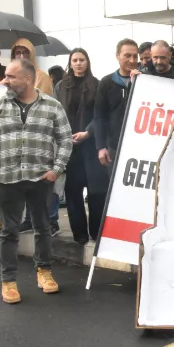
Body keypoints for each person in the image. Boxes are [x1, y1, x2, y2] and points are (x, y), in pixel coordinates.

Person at [0, 56, 72, 304]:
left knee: (42, 227)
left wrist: (57, 169)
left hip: (41, 178)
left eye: (10, 76)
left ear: (28, 79)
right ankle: (8, 281)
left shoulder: (52, 106)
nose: (4, 80)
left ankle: (44, 272)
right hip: (8, 179)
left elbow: (65, 139)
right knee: (9, 231)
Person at [55, 48, 108, 244]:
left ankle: (96, 232)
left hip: (92, 144)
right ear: (70, 63)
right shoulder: (61, 86)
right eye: (75, 60)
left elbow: (101, 115)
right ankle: (79, 235)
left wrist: (88, 132)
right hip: (70, 146)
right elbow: (56, 112)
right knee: (73, 192)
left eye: (82, 60)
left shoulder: (97, 84)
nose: (78, 63)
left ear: (87, 62)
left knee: (96, 192)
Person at [12, 39, 59, 234]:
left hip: (41, 136)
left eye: (25, 52)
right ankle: (30, 218)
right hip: (20, 138)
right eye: (18, 53)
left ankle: (51, 219)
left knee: (46, 181)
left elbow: (46, 105)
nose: (21, 56)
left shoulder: (42, 77)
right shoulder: (9, 78)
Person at [94, 38, 139, 169]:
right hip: (114, 146)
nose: (132, 60)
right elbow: (99, 117)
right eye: (127, 56)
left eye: (135, 56)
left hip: (139, 146)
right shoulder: (106, 82)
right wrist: (101, 147)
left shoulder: (144, 80)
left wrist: (135, 82)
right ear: (117, 56)